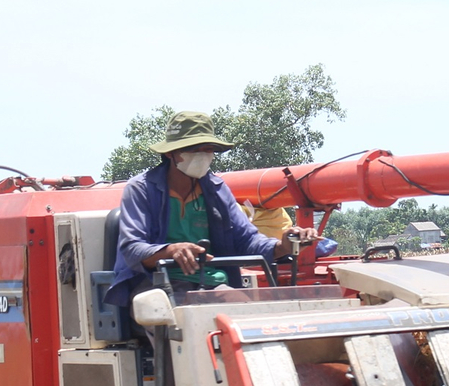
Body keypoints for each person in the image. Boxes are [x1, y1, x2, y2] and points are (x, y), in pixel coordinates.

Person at [105, 110, 312, 306]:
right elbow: (132, 249)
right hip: (156, 287)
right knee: (183, 324)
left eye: (208, 149)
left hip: (214, 285)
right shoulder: (141, 189)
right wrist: (171, 251)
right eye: (193, 149)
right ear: (171, 153)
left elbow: (247, 240)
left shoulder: (217, 191)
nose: (202, 156)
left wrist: (283, 245)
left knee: (250, 318)